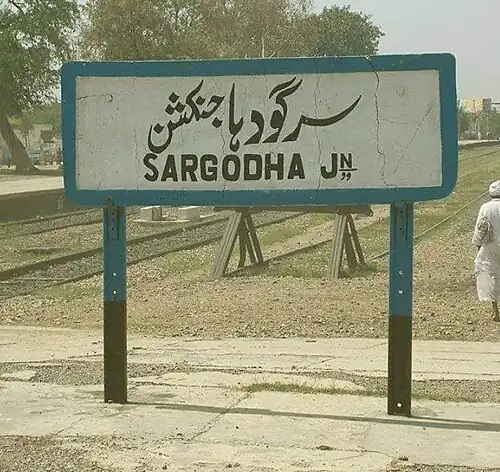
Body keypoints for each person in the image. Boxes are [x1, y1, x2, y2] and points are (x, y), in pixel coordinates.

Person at [472, 181, 500, 322]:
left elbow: (481, 227)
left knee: (491, 275)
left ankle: (495, 311)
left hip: (491, 246)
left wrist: (478, 245)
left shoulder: (485, 207)